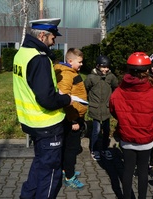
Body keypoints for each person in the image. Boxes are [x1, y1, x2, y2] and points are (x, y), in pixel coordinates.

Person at [13, 18, 72, 199]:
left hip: (30, 121)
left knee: (39, 164)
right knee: (51, 173)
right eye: (53, 37)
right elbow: (46, 99)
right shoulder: (39, 59)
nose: (54, 42)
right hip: (47, 123)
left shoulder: (21, 54)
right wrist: (65, 99)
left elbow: (32, 87)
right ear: (42, 35)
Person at [109, 52, 153, 199]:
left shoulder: (118, 91)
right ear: (147, 71)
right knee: (142, 171)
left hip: (126, 137)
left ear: (129, 70)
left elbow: (113, 111)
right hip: (146, 139)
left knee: (127, 170)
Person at [54, 48, 88, 189]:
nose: (81, 64)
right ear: (70, 61)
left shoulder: (70, 72)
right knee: (71, 149)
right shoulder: (67, 74)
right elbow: (65, 98)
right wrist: (73, 120)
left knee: (67, 147)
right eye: (79, 62)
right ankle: (69, 177)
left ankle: (65, 169)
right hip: (72, 118)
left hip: (73, 116)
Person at [84, 55, 118, 161]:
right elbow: (85, 88)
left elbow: (115, 87)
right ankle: (94, 150)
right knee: (96, 130)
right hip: (95, 108)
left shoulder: (111, 77)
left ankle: (104, 149)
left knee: (107, 130)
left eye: (107, 67)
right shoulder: (91, 77)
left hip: (107, 108)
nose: (105, 69)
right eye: (103, 67)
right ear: (98, 66)